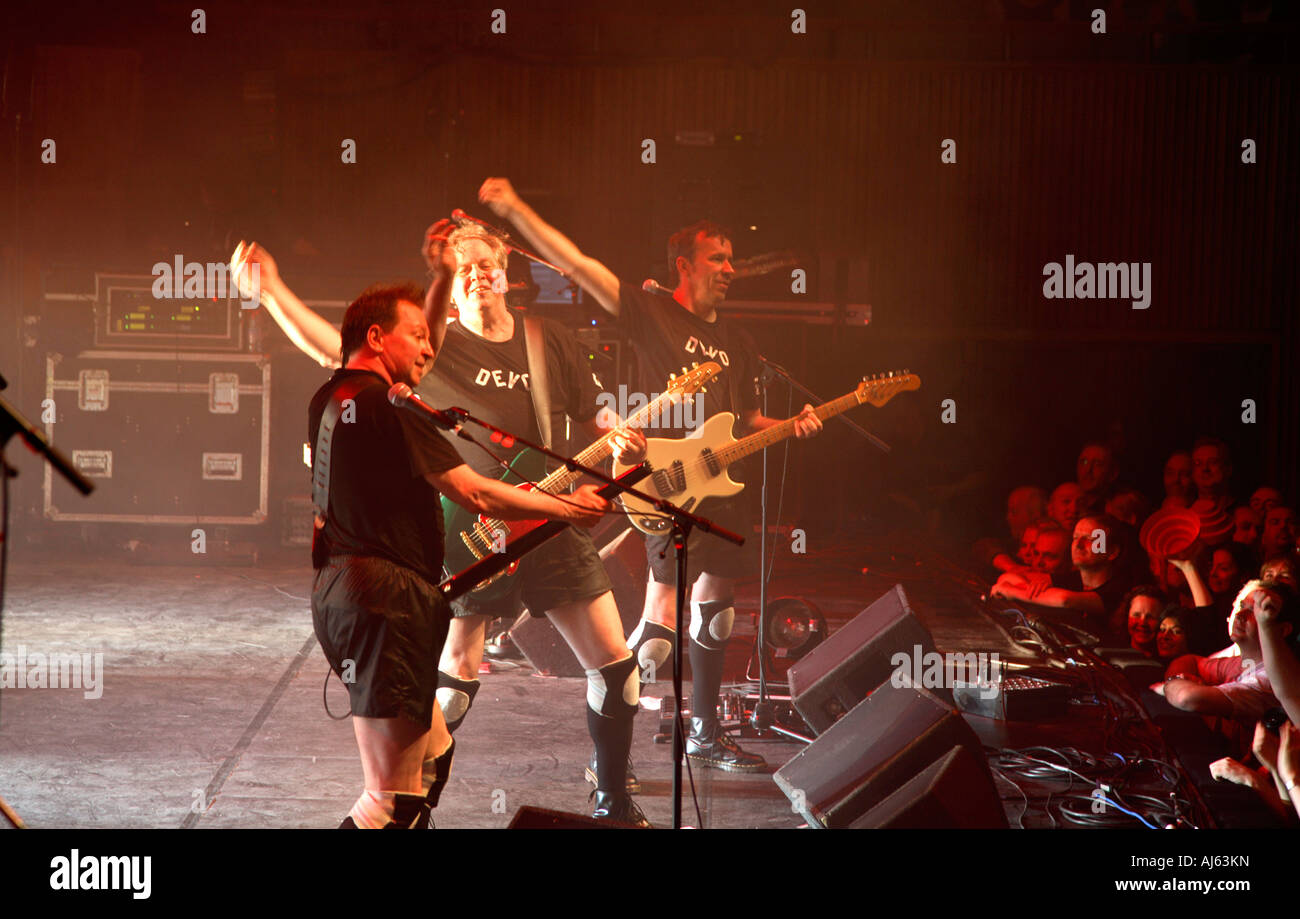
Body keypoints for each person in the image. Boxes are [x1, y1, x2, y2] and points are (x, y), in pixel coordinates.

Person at [240, 225, 653, 825]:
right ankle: (406, 805)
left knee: (609, 675)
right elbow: (341, 350)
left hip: (529, 533)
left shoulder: (545, 341)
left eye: (486, 263)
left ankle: (610, 798)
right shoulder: (410, 375)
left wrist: (619, 446)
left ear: (508, 269)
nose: (477, 274)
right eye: (462, 270)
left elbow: (596, 419)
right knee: (429, 724)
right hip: (455, 545)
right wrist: (274, 291)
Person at [477, 175, 823, 773]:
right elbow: (577, 264)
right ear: (684, 266)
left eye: (733, 259)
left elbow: (742, 419)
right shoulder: (650, 312)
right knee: (660, 627)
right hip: (663, 477)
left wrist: (790, 424)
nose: (730, 268)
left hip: (720, 482)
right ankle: (611, 750)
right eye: (718, 258)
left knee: (717, 607)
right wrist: (514, 209)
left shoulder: (737, 341)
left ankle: (704, 734)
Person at [305, 276, 608, 828]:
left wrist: (442, 275)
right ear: (376, 337)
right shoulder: (392, 408)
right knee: (387, 799)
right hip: (382, 601)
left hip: (344, 593)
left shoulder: (330, 398)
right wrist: (566, 507)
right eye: (417, 336)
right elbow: (472, 490)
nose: (429, 347)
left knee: (433, 758)